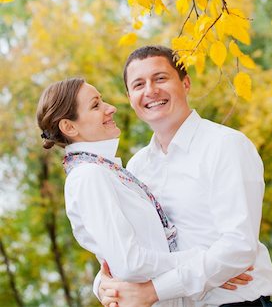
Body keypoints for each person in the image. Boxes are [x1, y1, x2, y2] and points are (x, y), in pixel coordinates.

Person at [36, 77, 247, 307]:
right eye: (96, 105)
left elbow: (119, 258)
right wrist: (205, 262)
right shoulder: (89, 177)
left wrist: (211, 269)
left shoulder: (112, 172)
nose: (110, 108)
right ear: (69, 126)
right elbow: (129, 263)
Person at [98, 45, 272, 307]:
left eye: (160, 78)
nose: (150, 90)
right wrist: (103, 286)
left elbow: (238, 246)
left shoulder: (226, 146)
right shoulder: (137, 168)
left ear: (186, 83)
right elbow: (130, 246)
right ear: (130, 97)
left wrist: (156, 290)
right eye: (138, 84)